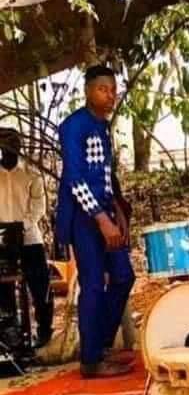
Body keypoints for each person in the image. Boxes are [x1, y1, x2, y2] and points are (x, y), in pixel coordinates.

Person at [56, 66, 135, 378]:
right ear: (88, 91)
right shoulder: (73, 126)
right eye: (103, 89)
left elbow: (105, 176)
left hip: (105, 213)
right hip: (84, 218)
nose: (110, 95)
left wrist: (118, 213)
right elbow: (74, 179)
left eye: (113, 90)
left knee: (123, 276)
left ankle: (99, 345)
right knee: (92, 284)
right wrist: (102, 220)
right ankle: (91, 361)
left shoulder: (102, 126)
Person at [0, 128, 54, 347]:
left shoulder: (32, 174)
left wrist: (21, 226)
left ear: (18, 147)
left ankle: (44, 331)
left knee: (40, 285)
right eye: (4, 147)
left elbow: (39, 206)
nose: (8, 151)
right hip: (2, 241)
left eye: (12, 146)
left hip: (30, 237)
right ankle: (10, 331)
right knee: (4, 287)